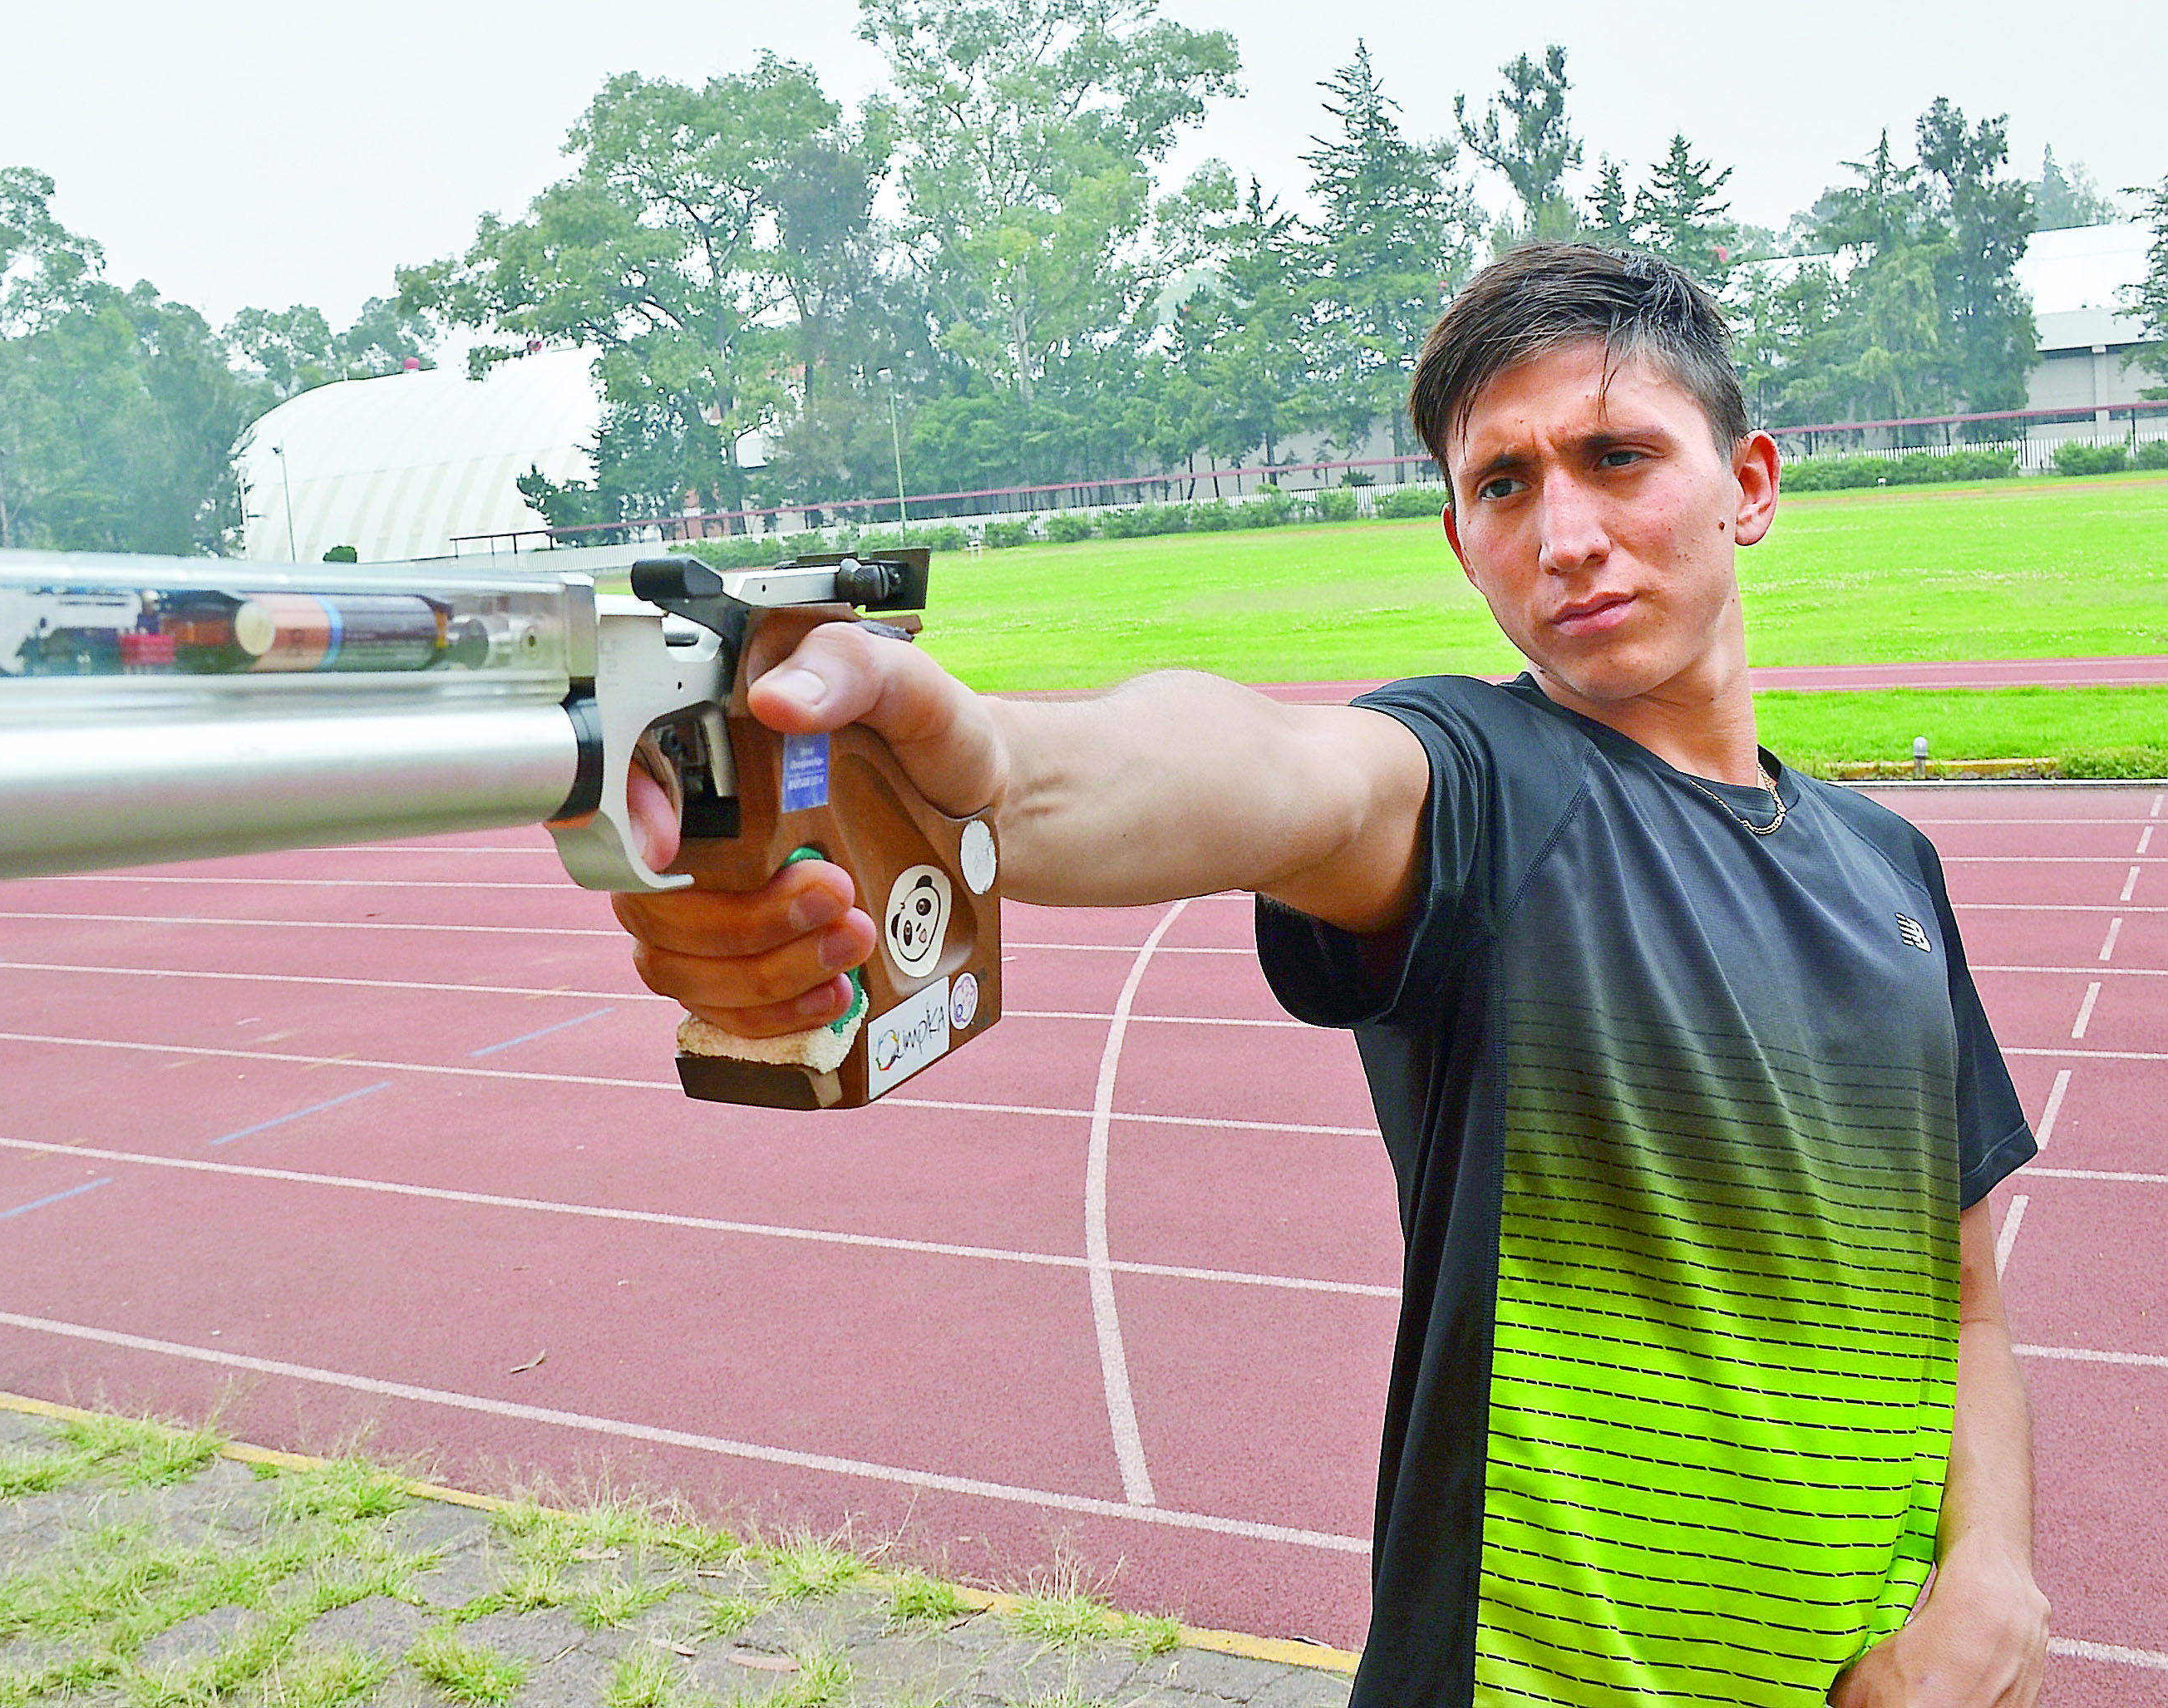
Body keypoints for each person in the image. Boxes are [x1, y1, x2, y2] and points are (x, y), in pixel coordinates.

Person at [610, 244, 2049, 1706]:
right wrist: (988, 770)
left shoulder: (1894, 871)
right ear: (1459, 537)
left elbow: (1970, 1291)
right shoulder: (1491, 790)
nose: (1564, 533)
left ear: (1748, 483)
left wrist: (1991, 1570)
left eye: (1618, 458)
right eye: (1505, 484)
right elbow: (1277, 774)